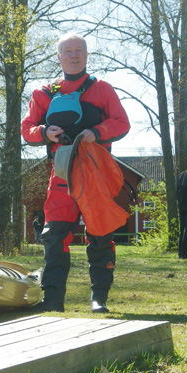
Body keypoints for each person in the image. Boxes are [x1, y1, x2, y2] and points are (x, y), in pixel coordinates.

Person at [21, 32, 130, 313]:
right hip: (61, 178)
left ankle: (99, 299)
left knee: (101, 236)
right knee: (54, 237)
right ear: (59, 57)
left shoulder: (102, 89)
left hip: (97, 176)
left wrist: (97, 131)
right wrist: (45, 132)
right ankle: (53, 300)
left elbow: (121, 123)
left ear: (85, 55)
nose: (73, 55)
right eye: (67, 51)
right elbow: (27, 130)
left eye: (78, 50)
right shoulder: (43, 94)